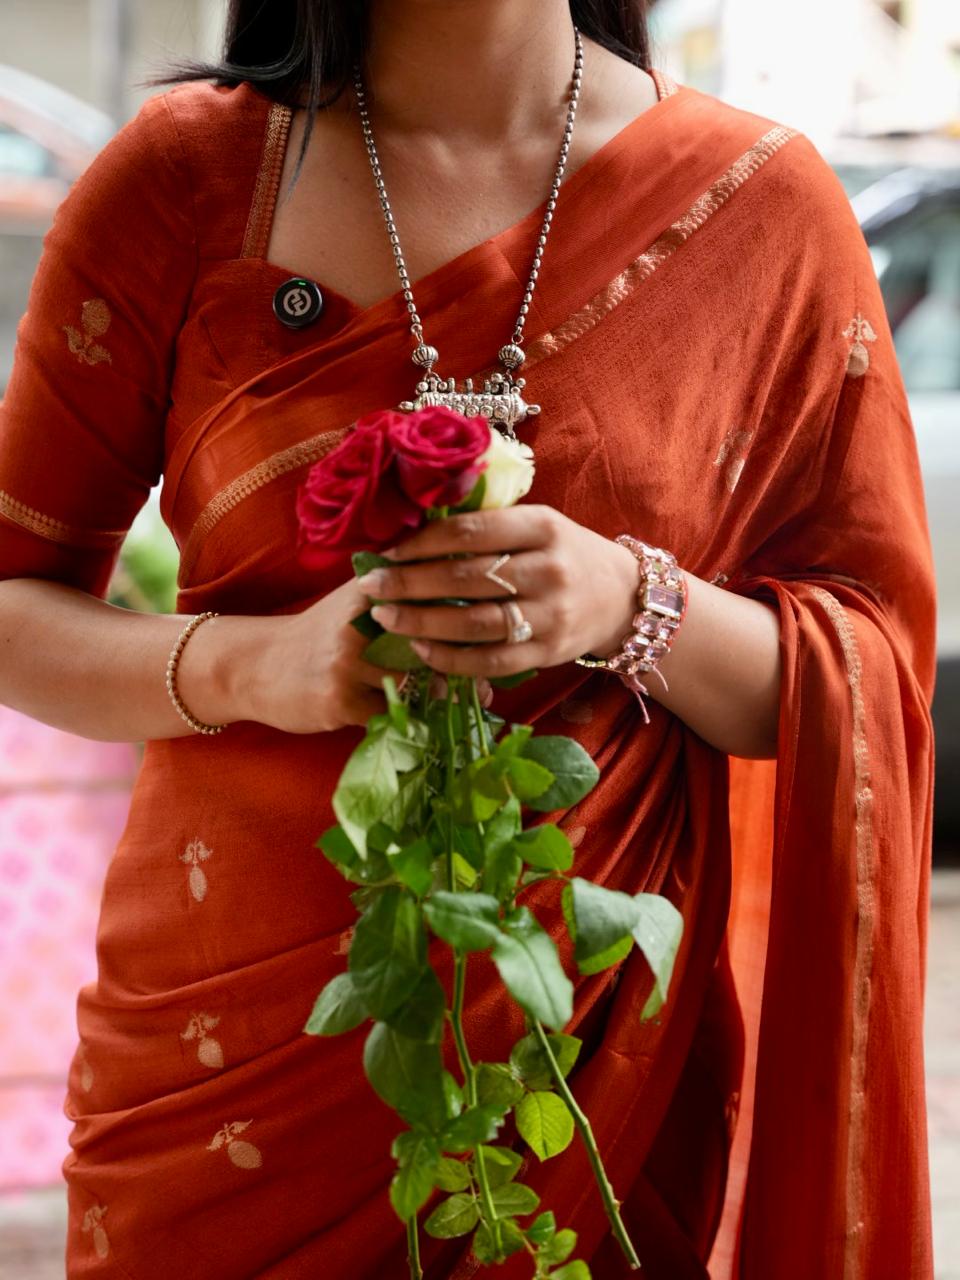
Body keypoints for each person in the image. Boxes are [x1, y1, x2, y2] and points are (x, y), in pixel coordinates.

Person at [0, 2, 936, 1276]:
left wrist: (629, 602)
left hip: (588, 1075)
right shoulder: (183, 180)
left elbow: (863, 672)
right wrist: (252, 664)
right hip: (228, 1082)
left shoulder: (757, 212)